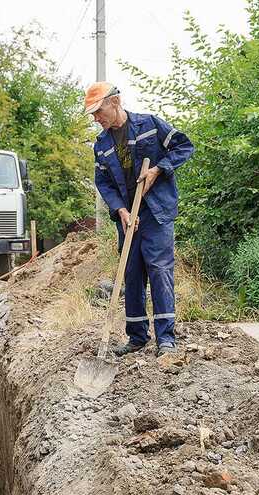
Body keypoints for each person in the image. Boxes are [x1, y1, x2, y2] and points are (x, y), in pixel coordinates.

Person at [85, 82, 194, 356]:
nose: (96, 119)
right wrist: (120, 210)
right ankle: (136, 336)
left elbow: (184, 147)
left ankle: (166, 338)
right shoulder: (102, 145)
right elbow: (104, 183)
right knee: (131, 272)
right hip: (127, 215)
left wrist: (158, 169)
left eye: (99, 111)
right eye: (93, 114)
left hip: (155, 212)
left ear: (115, 102)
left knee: (159, 270)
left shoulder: (150, 125)